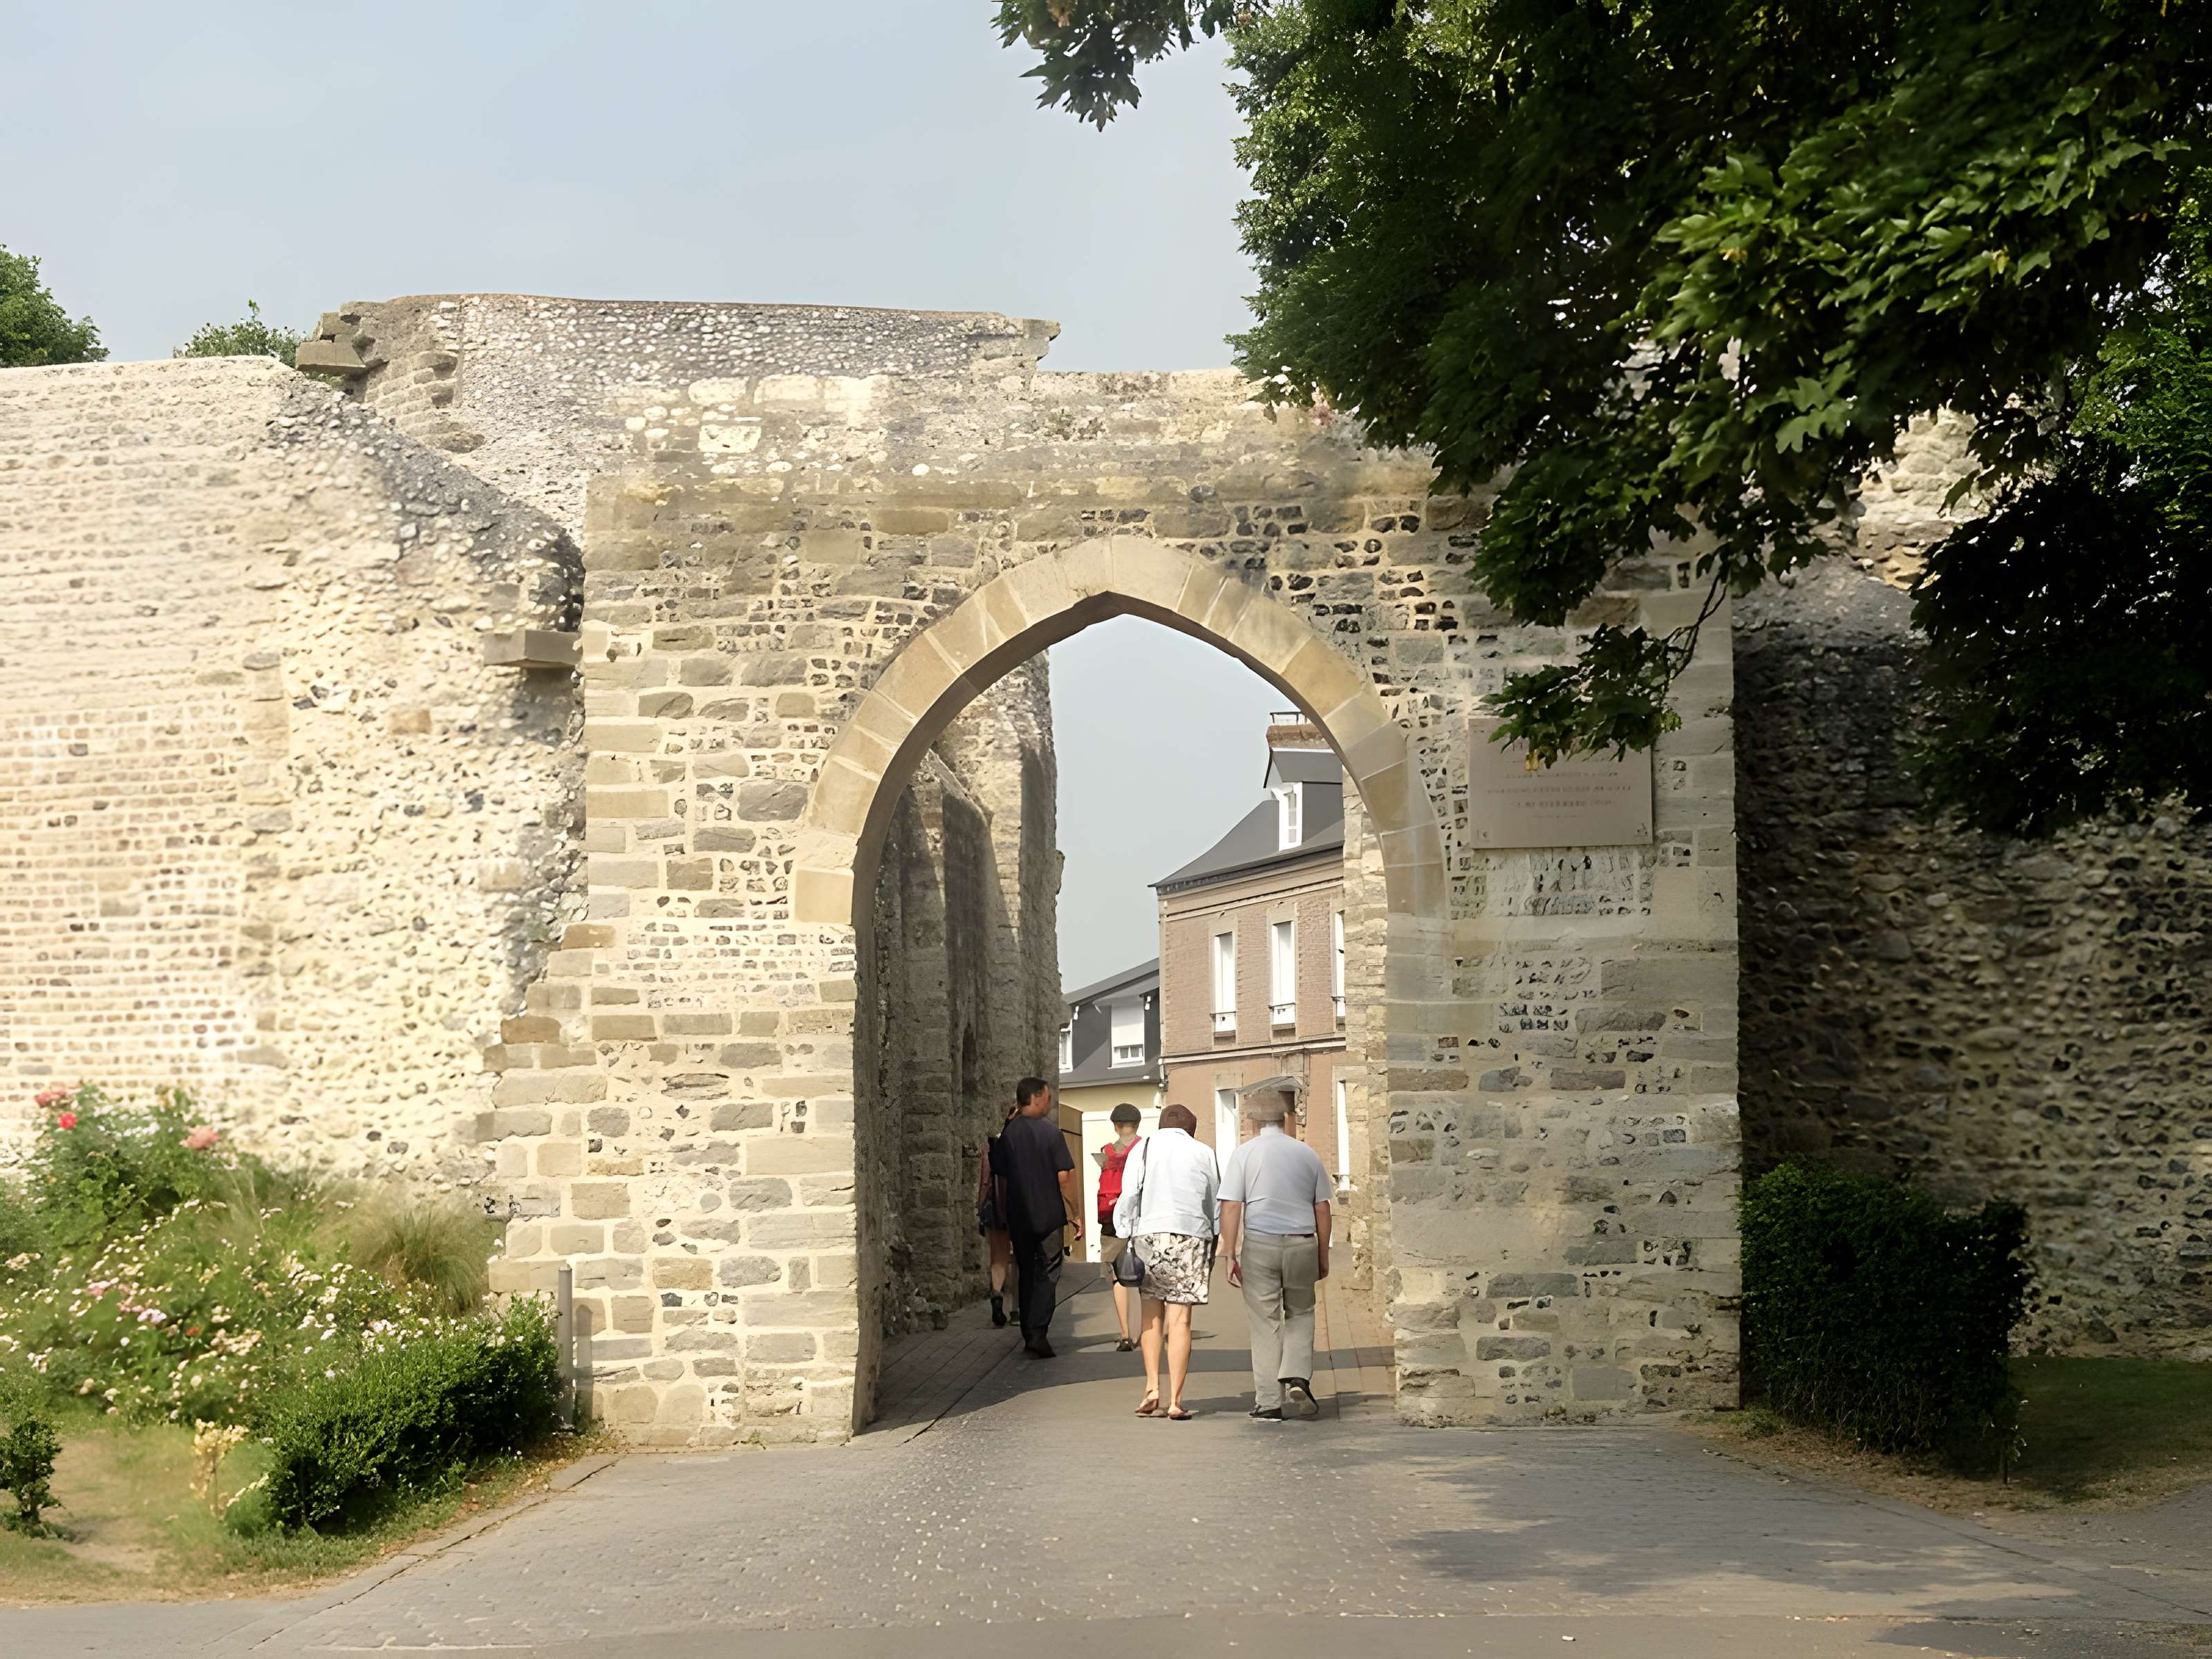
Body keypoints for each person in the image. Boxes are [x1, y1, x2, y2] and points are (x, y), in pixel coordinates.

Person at [1219, 1090, 1333, 1421]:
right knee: (1301, 1311)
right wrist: (1322, 1254)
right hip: (1301, 1242)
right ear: (1285, 1119)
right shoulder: (1307, 1154)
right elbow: (1322, 1208)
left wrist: (1230, 1254)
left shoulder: (1244, 1154)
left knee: (1265, 1320)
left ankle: (1269, 1401)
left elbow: (1231, 1206)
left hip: (1261, 1243)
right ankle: (1297, 1374)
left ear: (1252, 1120)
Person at [1112, 1103, 1219, 1421]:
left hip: (1150, 1234)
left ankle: (1151, 1387)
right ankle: (1176, 1400)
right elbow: (1214, 1198)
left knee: (1151, 1317)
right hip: (1190, 1234)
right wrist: (1215, 1236)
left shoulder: (1142, 1148)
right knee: (1181, 1321)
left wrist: (1125, 1231)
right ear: (1191, 1129)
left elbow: (1129, 1194)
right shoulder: (1203, 1152)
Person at [995, 1076, 1082, 1357]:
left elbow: (1002, 1178)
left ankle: (1028, 1331)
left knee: (1026, 1270)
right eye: (1048, 1096)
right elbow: (1065, 1176)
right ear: (1036, 1098)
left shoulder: (1008, 1134)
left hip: (1019, 1216)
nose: (1051, 1101)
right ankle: (1037, 1332)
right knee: (1048, 1272)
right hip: (1048, 1217)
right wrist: (1075, 1213)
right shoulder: (1050, 1133)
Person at [1093, 1103, 1144, 1351]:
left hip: (1111, 1217)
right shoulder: (1145, 1148)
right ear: (1138, 1124)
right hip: (1141, 1217)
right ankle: (1146, 1331)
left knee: (1117, 1276)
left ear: (1115, 1125)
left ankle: (1125, 1334)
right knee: (1146, 1274)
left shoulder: (1106, 1152)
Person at [976, 1102, 1019, 1327]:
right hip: (1017, 1205)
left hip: (995, 1207)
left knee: (998, 1258)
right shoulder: (1022, 1143)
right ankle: (1016, 1309)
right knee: (1020, 1258)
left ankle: (997, 1296)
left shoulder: (993, 1145)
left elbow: (984, 1179)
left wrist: (981, 1207)